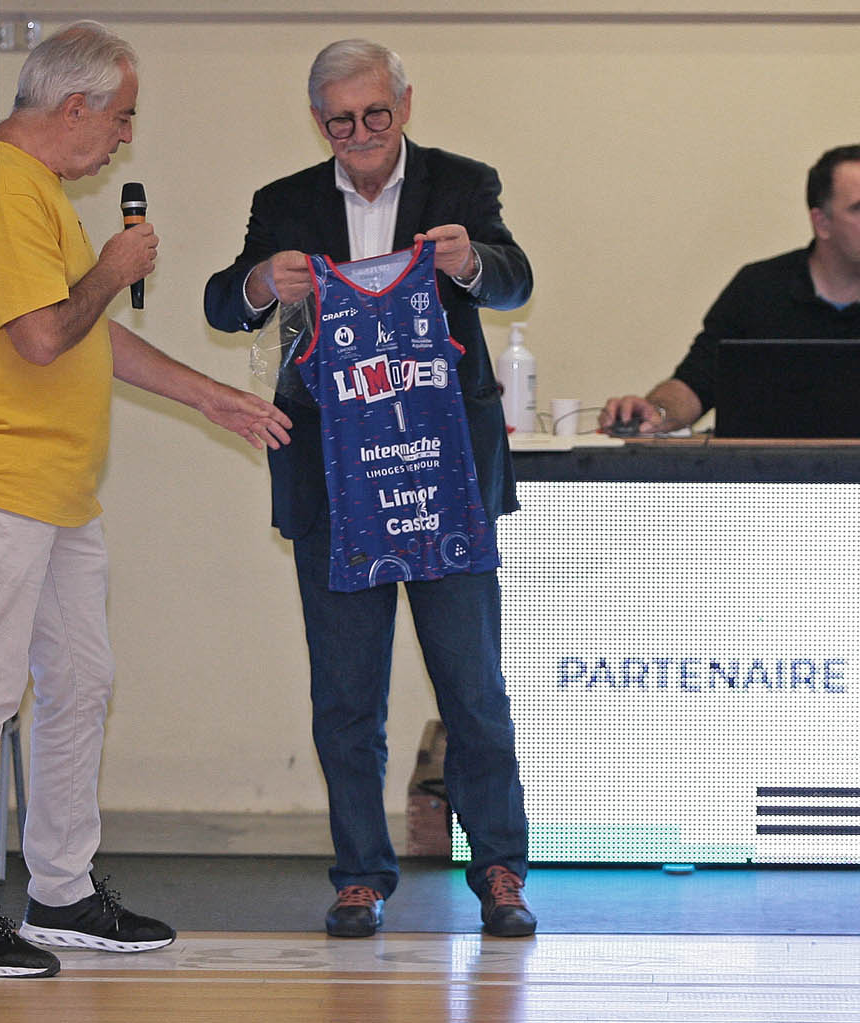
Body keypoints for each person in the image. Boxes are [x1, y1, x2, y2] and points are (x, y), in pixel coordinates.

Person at [0, 21, 292, 979]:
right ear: (73, 107)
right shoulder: (0, 187)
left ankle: (62, 890)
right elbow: (46, 336)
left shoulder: (35, 190)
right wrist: (114, 270)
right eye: (120, 118)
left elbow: (85, 333)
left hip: (55, 489)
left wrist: (209, 396)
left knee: (80, 682)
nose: (124, 137)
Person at [205, 39, 537, 939]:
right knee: (346, 697)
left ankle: (500, 869)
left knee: (473, 688)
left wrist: (470, 263)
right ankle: (359, 875)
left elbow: (515, 281)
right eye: (340, 121)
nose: (360, 133)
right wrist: (258, 282)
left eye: (375, 115)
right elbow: (220, 304)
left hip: (445, 479)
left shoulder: (461, 184)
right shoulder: (283, 204)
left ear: (406, 105)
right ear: (319, 122)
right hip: (333, 484)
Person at [600, 144, 860, 435]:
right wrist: (656, 413)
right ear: (822, 223)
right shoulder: (758, 289)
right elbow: (695, 383)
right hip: (766, 482)